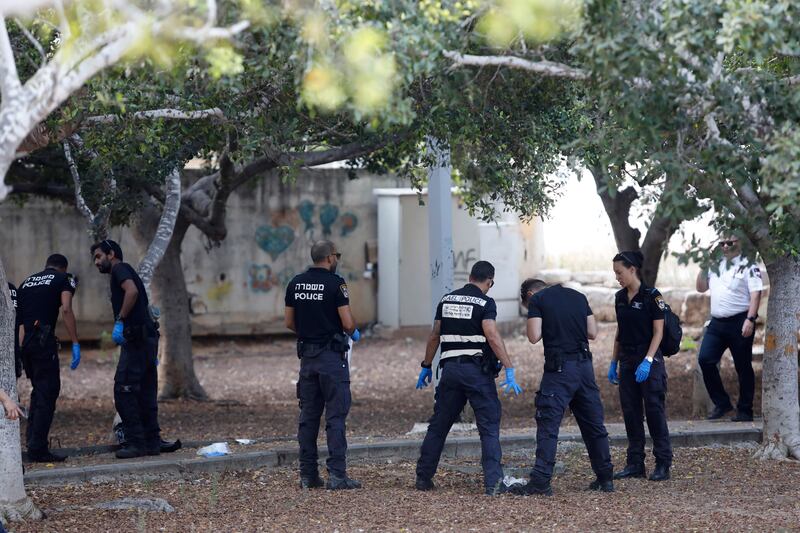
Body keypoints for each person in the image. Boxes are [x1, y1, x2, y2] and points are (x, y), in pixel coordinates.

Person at [414, 260, 523, 496]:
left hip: (450, 372)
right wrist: (509, 367)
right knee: (488, 426)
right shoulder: (485, 302)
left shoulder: (446, 300)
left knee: (439, 424)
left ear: (471, 276)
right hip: (476, 373)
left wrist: (425, 366)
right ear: (489, 281)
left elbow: (434, 335)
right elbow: (492, 336)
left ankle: (423, 477)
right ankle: (493, 483)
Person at [511, 278, 614, 496]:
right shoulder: (578, 296)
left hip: (559, 371)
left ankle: (540, 481)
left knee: (548, 425)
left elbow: (533, 336)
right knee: (594, 424)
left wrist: (542, 318)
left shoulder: (538, 300)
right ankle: (605, 478)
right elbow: (593, 333)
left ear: (529, 295)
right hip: (585, 368)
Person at [284, 240, 362, 490]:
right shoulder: (335, 283)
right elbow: (347, 323)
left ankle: (308, 475)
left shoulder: (295, 283)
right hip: (331, 359)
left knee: (308, 417)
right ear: (329, 258)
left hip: (307, 358)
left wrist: (309, 333)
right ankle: (337, 475)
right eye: (336, 255)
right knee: (336, 416)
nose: (337, 259)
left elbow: (289, 322)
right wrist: (352, 331)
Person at [91, 239, 162, 459]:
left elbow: (131, 292)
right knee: (145, 391)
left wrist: (120, 320)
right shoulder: (126, 269)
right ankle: (152, 441)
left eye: (99, 256)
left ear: (111, 254)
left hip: (137, 341)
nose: (96, 262)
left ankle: (137, 443)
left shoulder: (119, 268)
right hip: (146, 339)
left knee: (124, 391)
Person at [608, 251, 672, 482]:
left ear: (632, 269)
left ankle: (663, 462)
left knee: (654, 412)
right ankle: (635, 463)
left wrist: (648, 360)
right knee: (631, 412)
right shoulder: (619, 297)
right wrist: (614, 361)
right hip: (627, 359)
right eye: (615, 273)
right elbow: (619, 330)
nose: (617, 277)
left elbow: (659, 331)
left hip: (648, 361)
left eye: (620, 272)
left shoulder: (651, 296)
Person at [16, 253, 81, 462]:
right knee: (48, 392)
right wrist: (76, 342)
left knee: (39, 392)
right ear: (63, 267)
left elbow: (21, 323)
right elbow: (67, 309)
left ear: (46, 266)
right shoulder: (64, 279)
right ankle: (38, 449)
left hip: (27, 344)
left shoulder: (26, 283)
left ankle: (33, 441)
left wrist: (20, 351)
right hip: (44, 343)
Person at [696, 235, 763, 422]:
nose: (725, 246)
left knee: (743, 367)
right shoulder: (715, 264)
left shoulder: (748, 264)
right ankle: (722, 403)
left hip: (740, 321)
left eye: (730, 242)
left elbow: (756, 294)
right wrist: (704, 264)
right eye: (722, 243)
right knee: (706, 360)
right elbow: (701, 288)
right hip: (717, 322)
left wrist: (750, 318)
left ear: (739, 242)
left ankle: (745, 410)